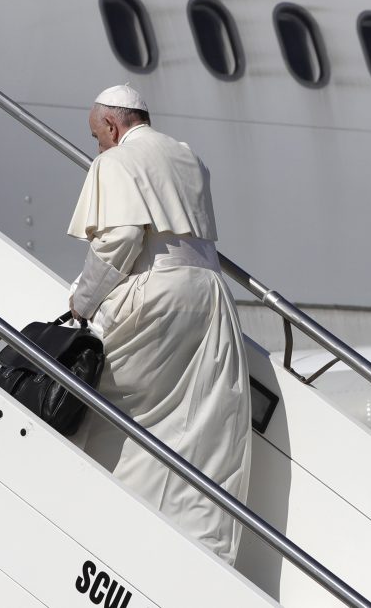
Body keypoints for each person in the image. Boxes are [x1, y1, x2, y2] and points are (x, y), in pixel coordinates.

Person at [67, 84, 252, 565]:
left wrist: (82, 301)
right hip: (210, 296)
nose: (98, 146)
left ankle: (118, 539)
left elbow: (122, 239)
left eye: (97, 136)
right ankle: (200, 553)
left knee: (112, 414)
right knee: (202, 429)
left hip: (156, 293)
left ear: (113, 125)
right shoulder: (188, 156)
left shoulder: (117, 160)